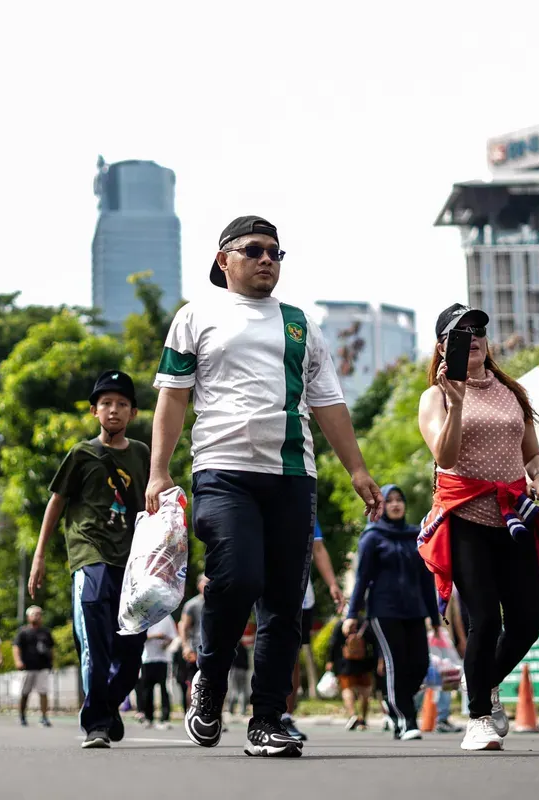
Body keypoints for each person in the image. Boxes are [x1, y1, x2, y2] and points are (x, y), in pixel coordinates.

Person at [148, 215, 383, 758]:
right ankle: (208, 676)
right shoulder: (195, 317)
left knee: (283, 602)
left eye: (276, 252)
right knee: (238, 576)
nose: (267, 259)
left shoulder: (300, 324)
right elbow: (173, 397)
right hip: (223, 472)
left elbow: (327, 402)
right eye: (253, 250)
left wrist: (358, 469)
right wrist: (159, 471)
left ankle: (269, 717)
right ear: (222, 259)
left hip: (294, 476)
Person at [417, 303, 539, 752]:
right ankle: (478, 716)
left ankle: (482, 682)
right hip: (464, 518)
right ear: (444, 347)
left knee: (527, 620)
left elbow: (532, 454)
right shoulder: (435, 397)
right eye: (460, 332)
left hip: (512, 517)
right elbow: (444, 457)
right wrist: (458, 400)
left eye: (478, 328)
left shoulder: (511, 392)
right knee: (482, 618)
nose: (473, 336)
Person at [27, 369, 150, 749]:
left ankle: (107, 705)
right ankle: (96, 723)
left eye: (122, 404)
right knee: (95, 641)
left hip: (131, 561)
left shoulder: (143, 454)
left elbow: (153, 505)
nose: (114, 410)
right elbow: (57, 501)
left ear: (132, 413)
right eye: (107, 404)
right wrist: (39, 555)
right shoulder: (81, 453)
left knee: (131, 651)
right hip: (88, 552)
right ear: (95, 411)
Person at [343, 484, 438, 740]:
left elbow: (426, 579)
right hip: (383, 612)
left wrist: (435, 616)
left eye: (400, 500)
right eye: (390, 500)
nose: (396, 505)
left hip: (415, 610)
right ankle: (405, 720)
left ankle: (393, 704)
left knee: (419, 665)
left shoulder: (415, 535)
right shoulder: (372, 537)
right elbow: (361, 579)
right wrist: (351, 614)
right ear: (380, 506)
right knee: (395, 663)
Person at [283, 521, 344, 741]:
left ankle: (285, 716)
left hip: (300, 592)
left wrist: (332, 584)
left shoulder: (304, 503)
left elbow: (317, 548)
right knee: (273, 649)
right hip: (266, 586)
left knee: (293, 652)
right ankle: (267, 711)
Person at [326, 616, 377, 731]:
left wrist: (330, 660)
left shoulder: (341, 624)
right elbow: (374, 643)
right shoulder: (365, 623)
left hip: (345, 663)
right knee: (365, 691)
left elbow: (333, 644)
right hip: (364, 663)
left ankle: (353, 715)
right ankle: (363, 719)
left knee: (347, 689)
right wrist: (376, 661)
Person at [14, 606, 55, 727]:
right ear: (28, 617)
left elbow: (52, 648)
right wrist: (18, 661)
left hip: (42, 667)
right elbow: (16, 647)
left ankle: (44, 717)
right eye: (34, 614)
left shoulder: (46, 632)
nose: (37, 616)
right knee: (24, 693)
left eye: (39, 614)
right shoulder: (23, 632)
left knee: (43, 692)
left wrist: (52, 662)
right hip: (27, 667)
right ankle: (22, 716)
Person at [138, 613, 178, 729]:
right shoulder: (144, 617)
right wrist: (156, 636)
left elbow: (172, 636)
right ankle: (148, 717)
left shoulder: (166, 617)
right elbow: (139, 636)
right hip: (147, 658)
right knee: (147, 689)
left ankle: (165, 717)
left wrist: (166, 643)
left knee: (163, 688)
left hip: (162, 658)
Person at [177, 575, 209, 708]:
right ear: (199, 585)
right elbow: (183, 626)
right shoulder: (192, 604)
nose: (209, 585)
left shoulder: (219, 603)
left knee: (215, 683)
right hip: (196, 649)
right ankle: (190, 713)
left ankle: (215, 717)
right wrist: (185, 647)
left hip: (214, 649)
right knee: (193, 683)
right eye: (206, 582)